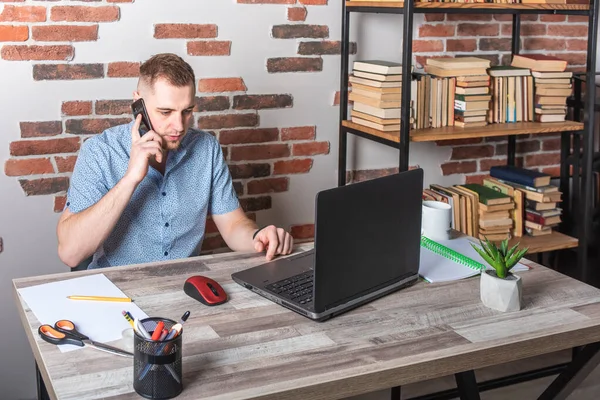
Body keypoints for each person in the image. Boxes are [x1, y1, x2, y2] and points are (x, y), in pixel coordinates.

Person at [57, 53, 294, 269]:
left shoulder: (206, 148)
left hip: (184, 288)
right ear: (137, 104)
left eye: (187, 111)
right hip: (116, 292)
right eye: (165, 112)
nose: (179, 126)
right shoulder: (100, 151)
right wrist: (130, 179)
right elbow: (70, 253)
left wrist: (258, 237)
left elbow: (233, 225)